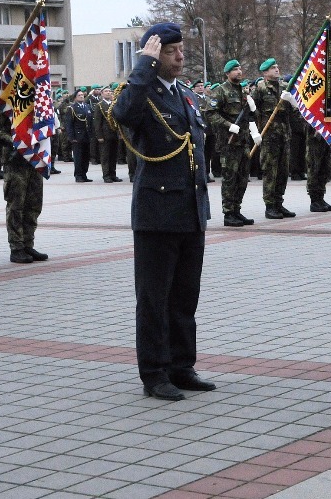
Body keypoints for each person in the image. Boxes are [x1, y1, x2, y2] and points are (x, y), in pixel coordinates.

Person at [111, 23, 214, 402]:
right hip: (157, 213)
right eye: (171, 51)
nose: (180, 56)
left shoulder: (185, 96)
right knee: (154, 298)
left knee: (185, 295)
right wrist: (143, 66)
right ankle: (154, 373)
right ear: (155, 56)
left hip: (189, 210)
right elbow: (123, 113)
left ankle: (182, 366)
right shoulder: (142, 94)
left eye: (181, 49)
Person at [0, 110, 49, 264]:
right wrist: (16, 142)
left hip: (35, 160)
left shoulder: (36, 104)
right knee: (16, 206)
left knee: (34, 205)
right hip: (15, 162)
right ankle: (16, 247)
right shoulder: (6, 105)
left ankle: (28, 244)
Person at [210, 60, 260, 226]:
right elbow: (210, 114)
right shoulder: (220, 91)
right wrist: (229, 125)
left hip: (243, 141)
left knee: (242, 178)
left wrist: (253, 109)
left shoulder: (244, 92)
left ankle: (237, 209)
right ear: (227, 73)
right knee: (230, 178)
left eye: (239, 69)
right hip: (228, 143)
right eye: (235, 69)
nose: (239, 72)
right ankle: (228, 212)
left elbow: (253, 116)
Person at [252, 58, 295, 218]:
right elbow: (252, 112)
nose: (277, 70)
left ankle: (279, 202)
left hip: (284, 135)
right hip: (269, 136)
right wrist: (255, 132)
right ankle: (269, 206)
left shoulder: (285, 87)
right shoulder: (260, 89)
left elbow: (295, 110)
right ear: (265, 72)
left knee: (283, 171)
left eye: (277, 67)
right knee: (271, 171)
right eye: (273, 68)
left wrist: (292, 100)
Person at [93, 86, 123, 182]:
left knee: (114, 156)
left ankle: (113, 174)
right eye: (106, 91)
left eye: (110, 91)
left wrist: (120, 133)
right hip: (105, 135)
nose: (108, 93)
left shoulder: (114, 105)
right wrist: (99, 136)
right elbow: (97, 122)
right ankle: (106, 175)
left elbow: (117, 120)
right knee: (105, 156)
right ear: (102, 94)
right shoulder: (100, 105)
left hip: (114, 133)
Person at [65, 90, 94, 182]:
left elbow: (90, 123)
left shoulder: (87, 107)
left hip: (87, 136)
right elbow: (69, 124)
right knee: (78, 157)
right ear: (75, 97)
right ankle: (78, 175)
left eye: (82, 95)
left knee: (86, 157)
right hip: (77, 137)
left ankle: (84, 174)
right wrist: (71, 137)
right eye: (79, 95)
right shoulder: (72, 108)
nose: (82, 96)